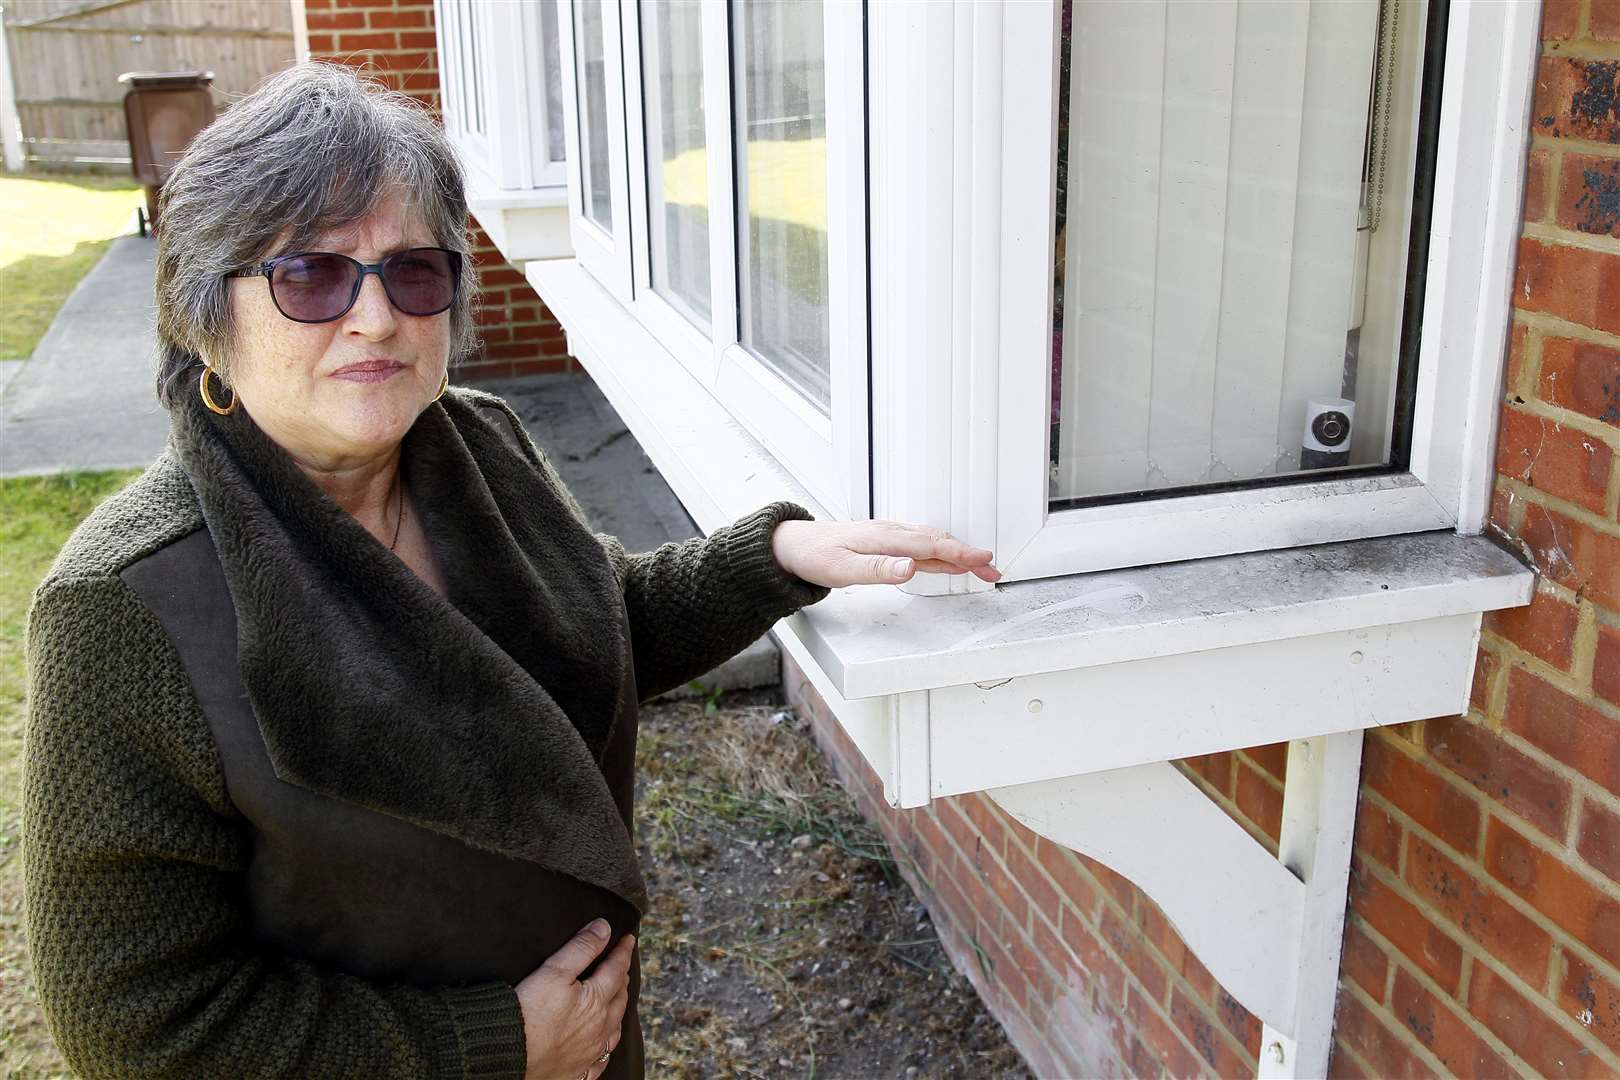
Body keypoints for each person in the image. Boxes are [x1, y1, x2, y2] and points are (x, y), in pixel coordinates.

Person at [21, 63, 999, 1080]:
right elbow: (139, 1023)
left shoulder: (472, 447)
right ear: (201, 315)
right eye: (309, 275)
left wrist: (776, 559)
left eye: (413, 271)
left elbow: (588, 626)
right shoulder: (124, 608)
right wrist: (491, 1048)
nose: (376, 319)